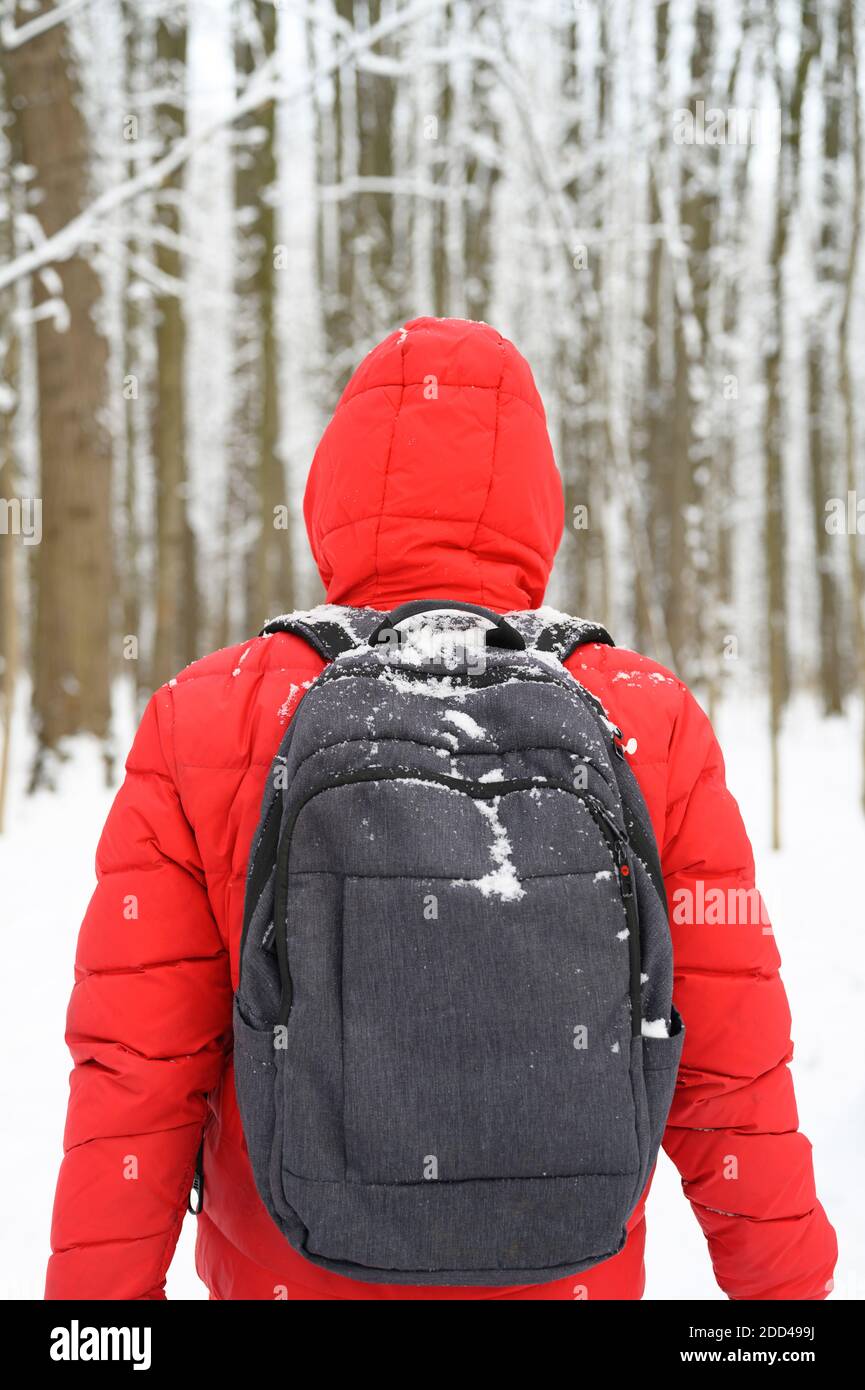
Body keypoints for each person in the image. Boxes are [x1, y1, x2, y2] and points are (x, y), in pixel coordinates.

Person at [45, 316, 836, 1301]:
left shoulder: (208, 714)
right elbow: (733, 1069)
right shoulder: (643, 713)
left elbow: (137, 1073)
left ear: (333, 488)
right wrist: (789, 1298)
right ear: (537, 503)